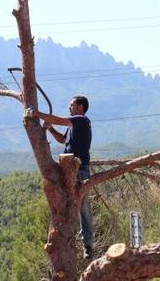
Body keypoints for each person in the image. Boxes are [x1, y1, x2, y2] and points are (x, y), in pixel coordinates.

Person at [36, 95, 95, 259]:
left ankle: (88, 245)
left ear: (80, 107)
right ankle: (62, 240)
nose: (69, 107)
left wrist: (36, 114)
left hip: (80, 170)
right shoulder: (74, 125)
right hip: (67, 169)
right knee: (62, 205)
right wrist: (50, 129)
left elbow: (60, 120)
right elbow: (63, 140)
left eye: (72, 104)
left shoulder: (81, 120)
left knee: (83, 206)